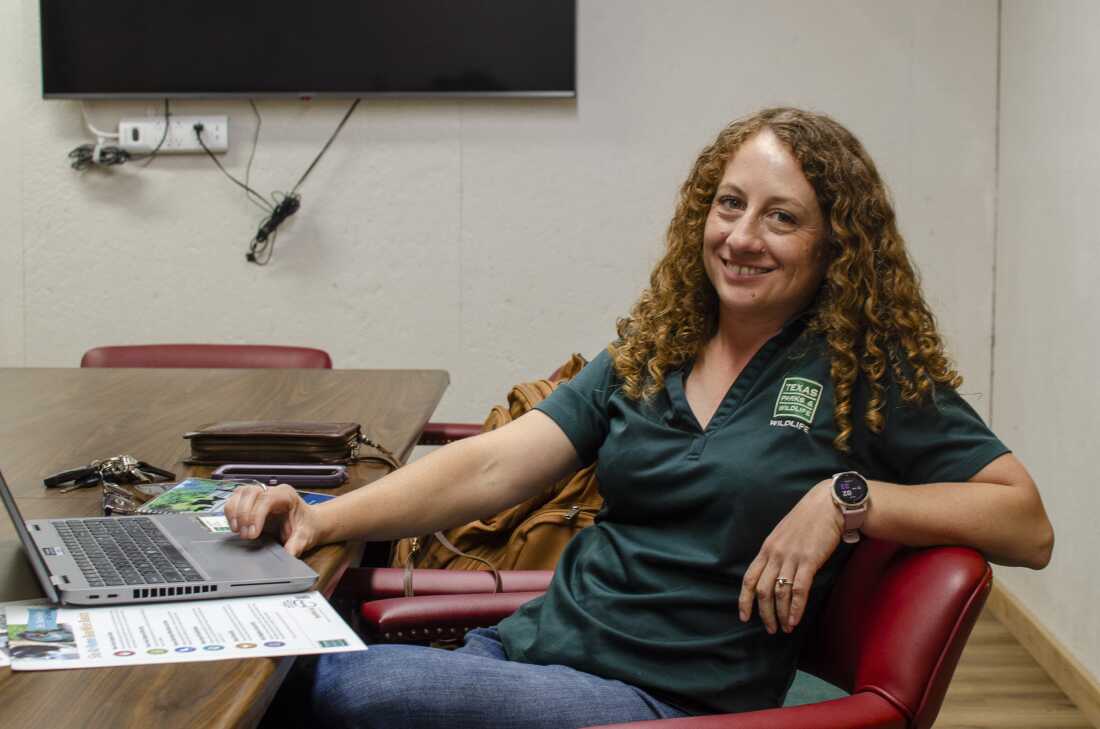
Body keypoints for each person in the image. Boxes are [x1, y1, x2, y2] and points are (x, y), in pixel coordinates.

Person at [226, 107, 1053, 728]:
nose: (742, 237)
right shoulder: (657, 348)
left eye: (782, 216)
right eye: (729, 204)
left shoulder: (860, 372)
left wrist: (846, 499)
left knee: (322, 687)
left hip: (658, 699)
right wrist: (322, 514)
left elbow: (1026, 523)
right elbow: (492, 464)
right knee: (274, 667)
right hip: (524, 649)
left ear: (835, 244)